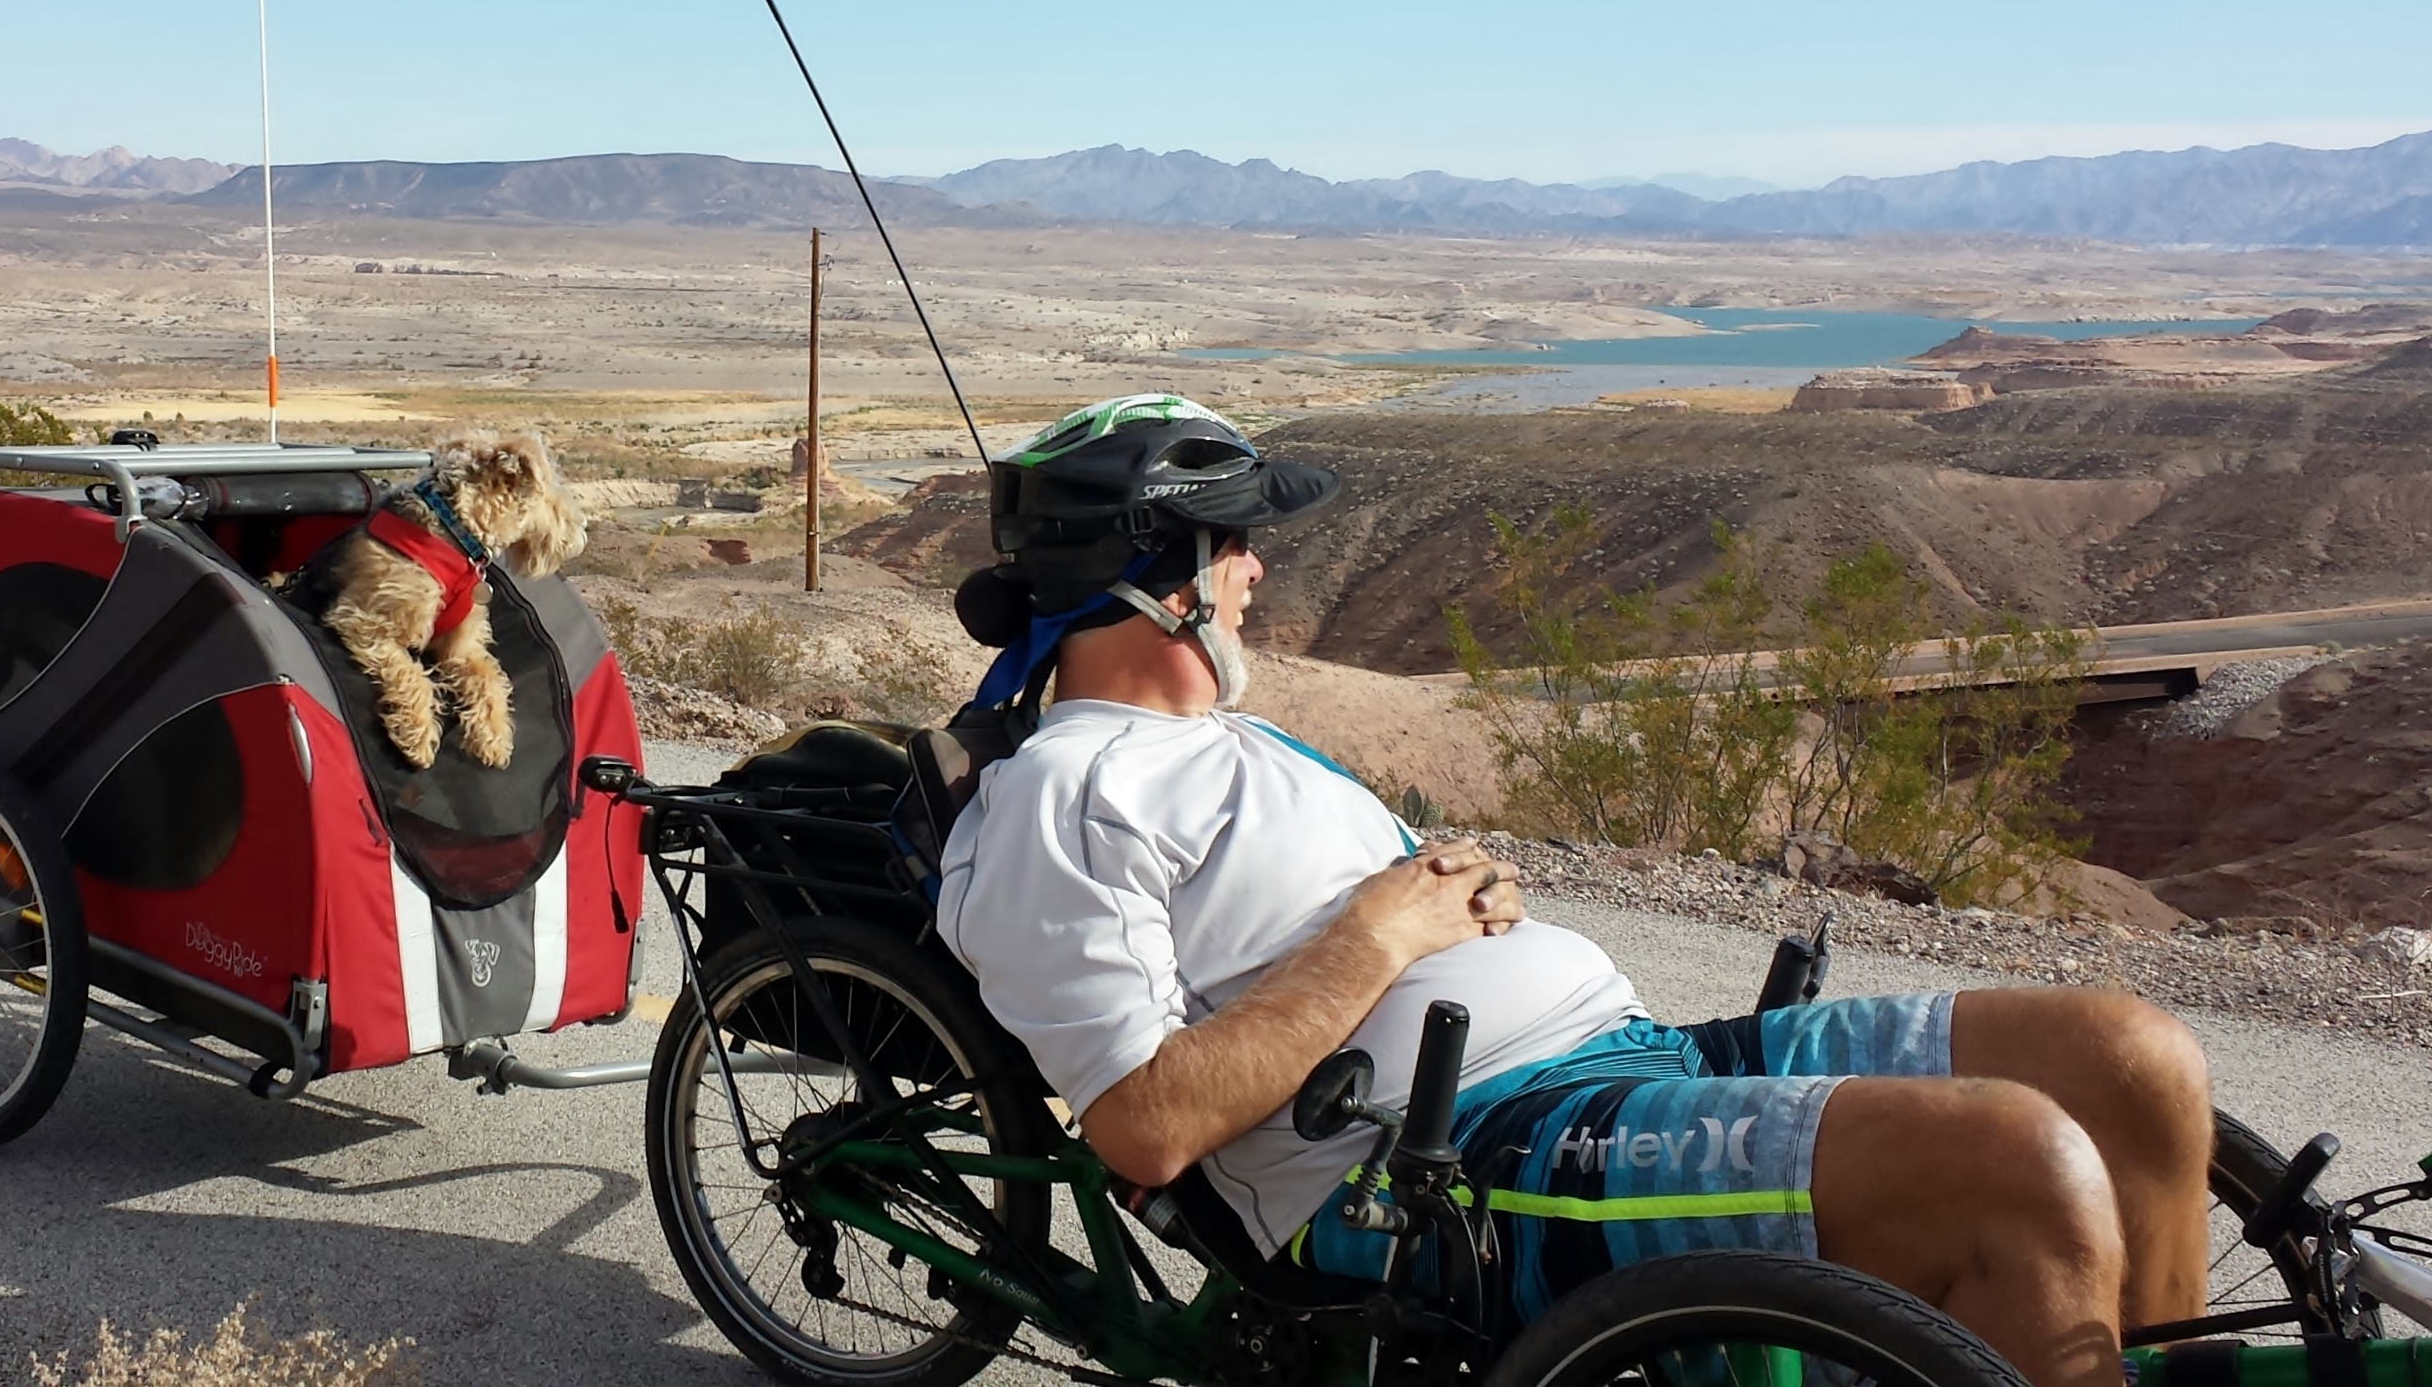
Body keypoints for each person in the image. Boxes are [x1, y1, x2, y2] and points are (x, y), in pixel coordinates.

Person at [934, 394, 2210, 1387]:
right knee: (2017, 1160)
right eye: (1236, 543)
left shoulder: (1233, 744)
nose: (1256, 570)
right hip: (1449, 1166)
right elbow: (1146, 1126)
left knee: (2126, 1055)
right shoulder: (1066, 789)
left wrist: (1443, 900)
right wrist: (1380, 933)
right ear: (1161, 577)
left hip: (1625, 1063)